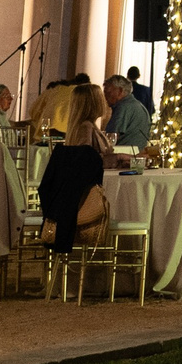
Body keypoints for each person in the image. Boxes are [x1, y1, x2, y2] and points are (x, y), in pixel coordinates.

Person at [40, 82, 114, 252]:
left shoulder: (85, 126)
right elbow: (86, 160)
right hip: (90, 196)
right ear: (93, 102)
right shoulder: (86, 128)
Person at [105, 75, 151, 150]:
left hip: (123, 156)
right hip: (136, 154)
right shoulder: (138, 105)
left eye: (108, 92)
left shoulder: (123, 107)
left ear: (120, 91)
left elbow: (111, 136)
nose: (105, 96)